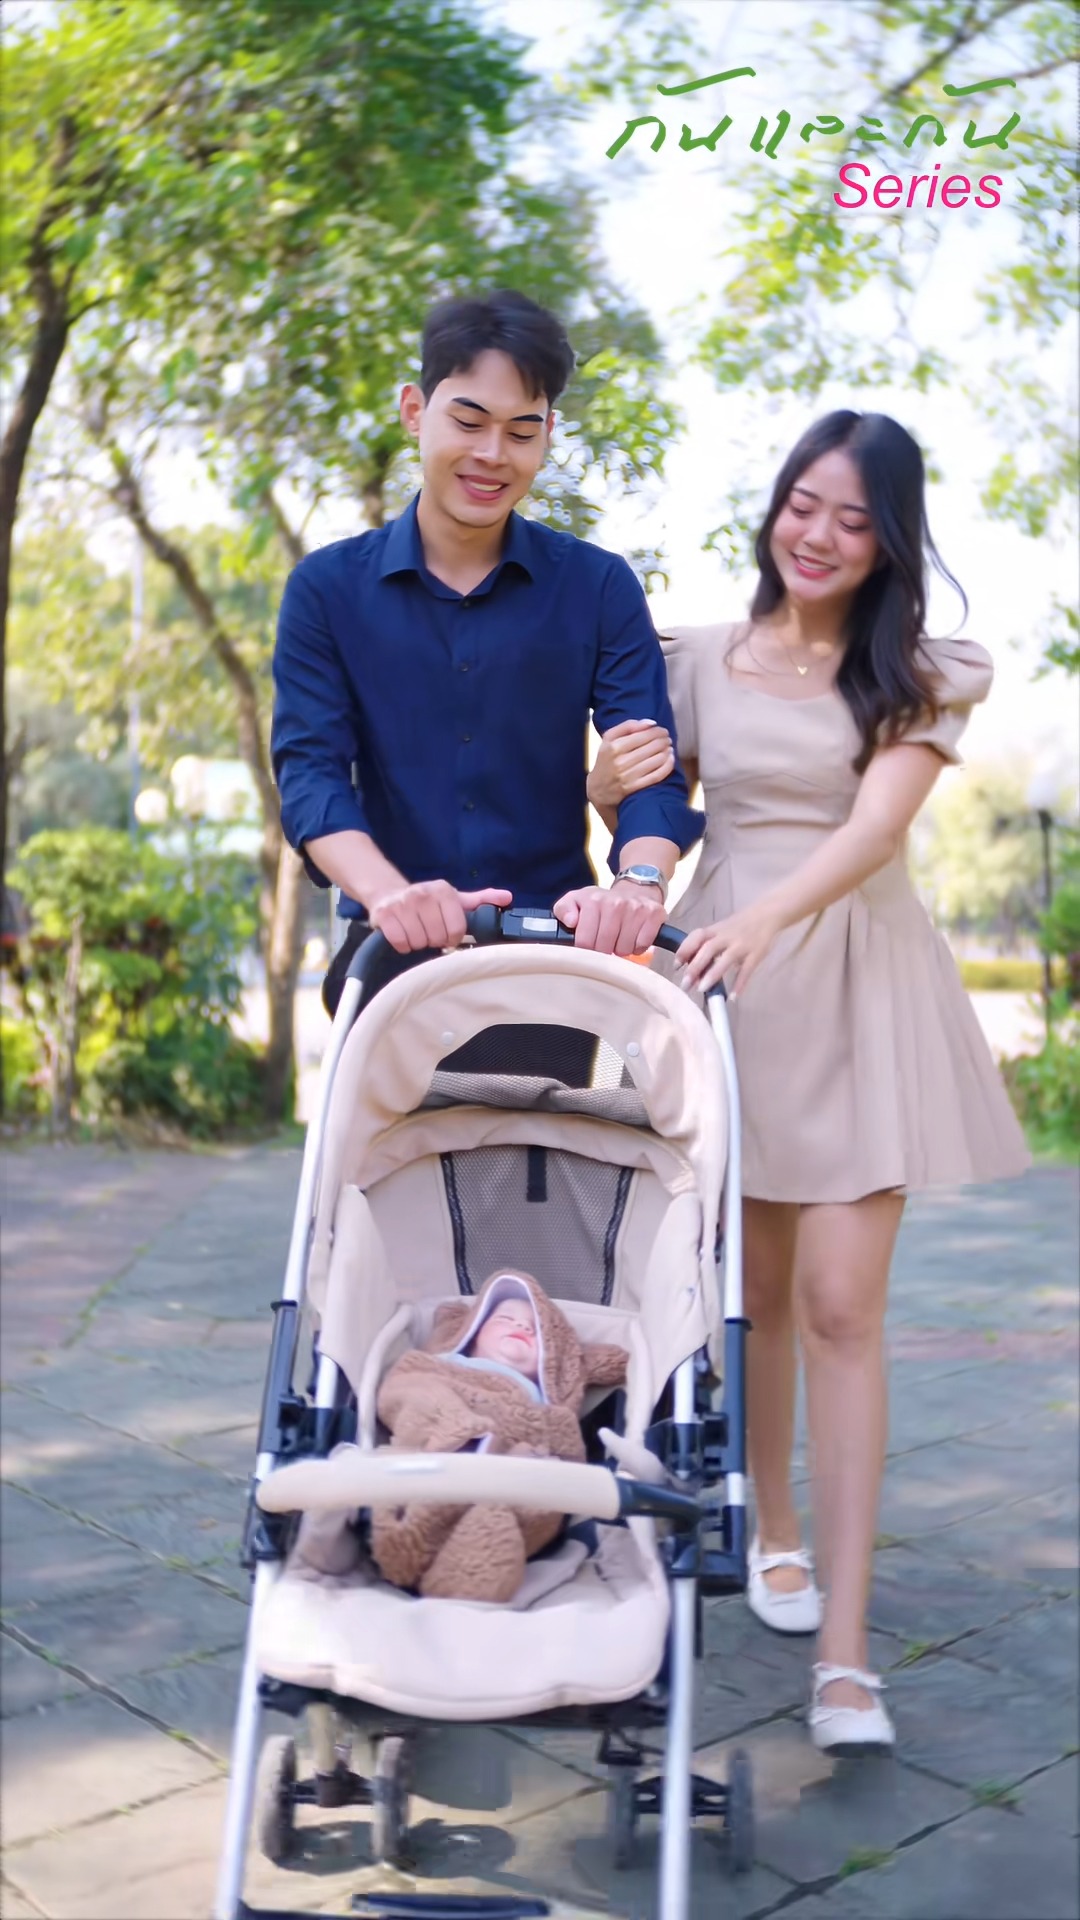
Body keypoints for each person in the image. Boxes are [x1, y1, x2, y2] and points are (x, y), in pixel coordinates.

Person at [587, 410, 1030, 1755]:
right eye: (803, 504)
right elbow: (653, 818)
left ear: (889, 540)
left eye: (854, 518)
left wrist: (769, 917)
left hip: (850, 978)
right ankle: (772, 1526)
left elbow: (877, 829)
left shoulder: (919, 671)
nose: (820, 534)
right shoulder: (696, 659)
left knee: (844, 1306)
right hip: (724, 989)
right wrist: (611, 788)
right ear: (774, 506)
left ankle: (847, 1653)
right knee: (760, 1295)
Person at [270, 289, 702, 1031]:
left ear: (548, 434)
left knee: (566, 1117)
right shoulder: (327, 590)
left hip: (554, 963)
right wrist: (390, 895)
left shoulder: (597, 587)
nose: (492, 455)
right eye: (468, 422)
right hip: (389, 961)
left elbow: (649, 771)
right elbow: (310, 777)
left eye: (521, 431)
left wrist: (638, 882)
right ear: (415, 411)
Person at [370, 1272, 627, 1603]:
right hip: (439, 1441)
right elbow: (404, 1393)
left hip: (512, 1465)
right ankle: (453, 1462)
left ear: (553, 1358)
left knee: (534, 1496)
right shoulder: (445, 1364)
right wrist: (462, 1429)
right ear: (473, 1331)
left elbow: (606, 1361)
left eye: (536, 1331)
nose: (520, 1327)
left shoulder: (540, 1398)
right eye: (504, 1319)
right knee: (425, 1398)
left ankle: (472, 1573)